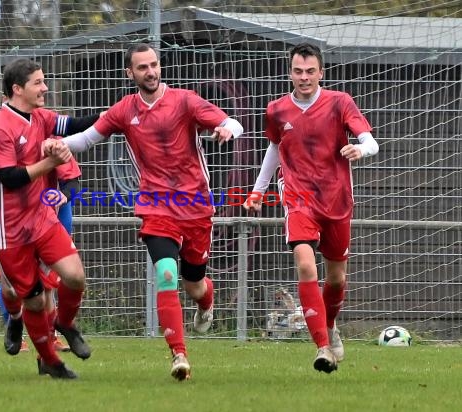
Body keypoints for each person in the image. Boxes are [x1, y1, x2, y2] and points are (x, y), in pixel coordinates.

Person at [45, 42, 243, 381]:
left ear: (159, 66)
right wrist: (57, 144)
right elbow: (88, 139)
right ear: (130, 73)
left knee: (194, 284)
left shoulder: (184, 100)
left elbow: (232, 123)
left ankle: (206, 302)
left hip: (195, 206)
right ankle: (179, 356)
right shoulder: (125, 109)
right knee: (166, 272)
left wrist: (226, 129)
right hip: (155, 206)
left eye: (153, 65)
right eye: (142, 67)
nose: (150, 72)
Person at [0, 58, 95, 379]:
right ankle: (48, 360)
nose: (45, 87)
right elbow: (9, 178)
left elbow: (76, 125)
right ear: (18, 89)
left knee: (75, 277)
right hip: (6, 229)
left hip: (41, 218)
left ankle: (64, 325)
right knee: (31, 301)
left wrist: (117, 116)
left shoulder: (41, 117)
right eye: (38, 82)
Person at [243, 43, 379, 373]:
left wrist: (362, 150)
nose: (304, 77)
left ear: (321, 73)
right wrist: (258, 192)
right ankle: (321, 348)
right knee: (306, 265)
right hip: (298, 198)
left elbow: (370, 140)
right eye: (298, 71)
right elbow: (275, 149)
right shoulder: (276, 109)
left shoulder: (339, 102)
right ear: (290, 73)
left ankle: (329, 325)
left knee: (336, 278)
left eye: (310, 71)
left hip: (336, 199)